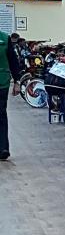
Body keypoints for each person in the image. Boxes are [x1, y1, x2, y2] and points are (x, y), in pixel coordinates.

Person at [0, 25, 21, 160]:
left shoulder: (4, 38)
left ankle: (3, 148)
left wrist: (17, 82)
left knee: (1, 114)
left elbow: (13, 61)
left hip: (2, 82)